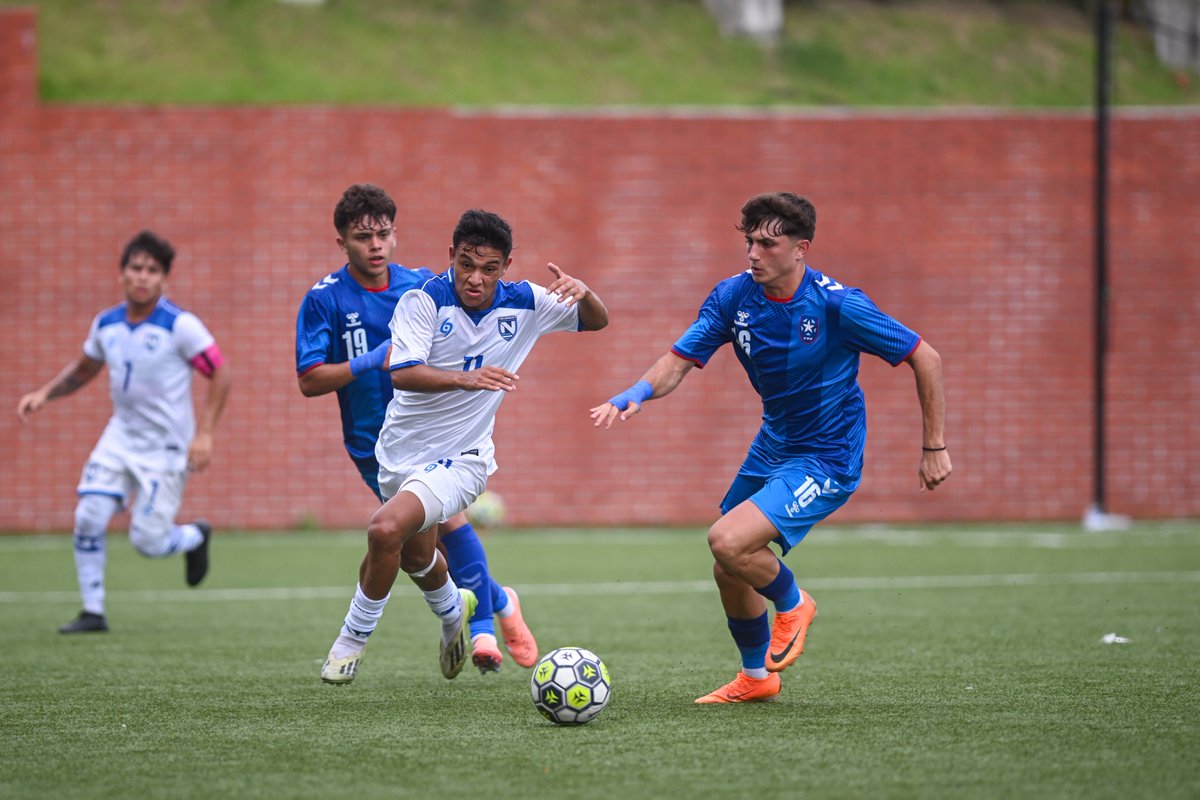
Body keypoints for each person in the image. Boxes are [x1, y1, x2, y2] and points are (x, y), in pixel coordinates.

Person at [591, 192, 951, 704]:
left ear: (800, 248)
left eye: (767, 243)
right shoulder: (733, 297)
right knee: (729, 563)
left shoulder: (838, 305)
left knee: (728, 541)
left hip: (827, 455)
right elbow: (677, 360)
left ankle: (794, 603)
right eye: (749, 242)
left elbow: (926, 357)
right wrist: (636, 393)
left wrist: (933, 446)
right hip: (774, 443)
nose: (753, 254)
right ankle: (757, 678)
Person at [320, 207, 609, 685]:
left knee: (383, 530)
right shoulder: (424, 300)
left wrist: (586, 292)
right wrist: (466, 379)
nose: (476, 278)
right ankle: (456, 609)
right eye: (467, 265)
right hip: (398, 454)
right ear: (451, 256)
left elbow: (595, 321)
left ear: (506, 266)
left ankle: (352, 639)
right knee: (417, 558)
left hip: (464, 460)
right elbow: (404, 372)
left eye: (489, 268)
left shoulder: (526, 302)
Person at [296, 183, 537, 676]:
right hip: (377, 443)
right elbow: (309, 380)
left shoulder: (424, 285)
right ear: (342, 241)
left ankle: (486, 624)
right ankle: (472, 607)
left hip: (440, 441)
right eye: (363, 236)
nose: (376, 245)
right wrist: (368, 361)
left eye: (384, 233)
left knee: (428, 527)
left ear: (395, 234)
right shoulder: (325, 300)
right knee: (413, 553)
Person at [16, 230, 232, 633]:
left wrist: (204, 434)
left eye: (152, 270)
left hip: (166, 448)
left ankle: (193, 537)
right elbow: (84, 369)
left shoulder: (180, 326)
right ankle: (93, 611)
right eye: (136, 268)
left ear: (164, 279)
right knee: (88, 516)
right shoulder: (107, 324)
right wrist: (44, 394)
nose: (142, 277)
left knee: (148, 543)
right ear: (122, 273)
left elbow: (219, 372)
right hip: (119, 438)